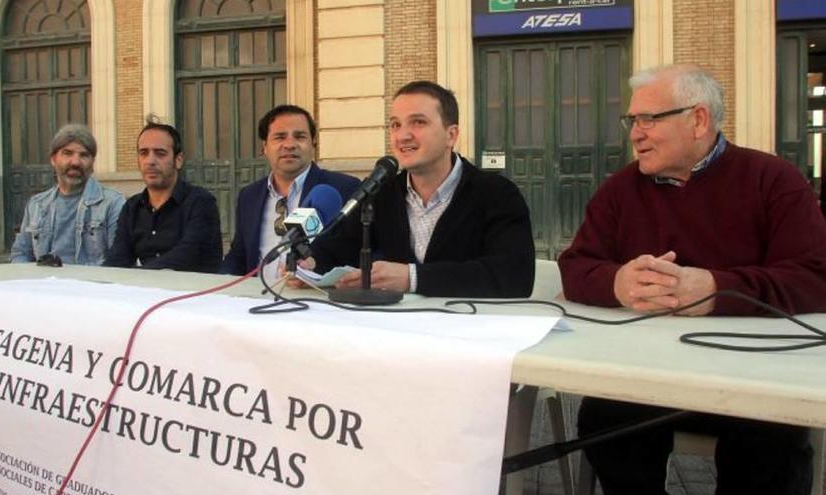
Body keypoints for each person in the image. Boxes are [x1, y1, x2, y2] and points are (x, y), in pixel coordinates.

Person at [558, 64, 826, 494]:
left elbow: (815, 279)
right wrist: (617, 282)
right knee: (602, 417)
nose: (634, 134)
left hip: (754, 375)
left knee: (772, 441)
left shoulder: (773, 181)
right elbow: (575, 266)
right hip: (650, 375)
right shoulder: (621, 190)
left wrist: (718, 290)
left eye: (649, 119)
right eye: (632, 121)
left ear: (698, 119)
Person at [308, 80, 534, 298]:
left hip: (472, 329)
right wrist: (311, 265)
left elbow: (515, 277)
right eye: (396, 124)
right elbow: (338, 248)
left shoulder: (498, 194)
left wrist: (413, 278)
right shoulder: (382, 194)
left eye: (418, 122)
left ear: (451, 135)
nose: (403, 136)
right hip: (400, 329)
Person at [220, 105, 360, 278]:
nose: (290, 145)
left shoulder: (342, 190)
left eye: (300, 137)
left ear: (313, 143)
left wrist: (316, 267)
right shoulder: (249, 196)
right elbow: (239, 255)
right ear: (264, 146)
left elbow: (354, 254)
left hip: (314, 299)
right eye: (280, 137)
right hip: (257, 298)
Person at [104, 119, 222, 272]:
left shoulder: (201, 203)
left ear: (178, 160)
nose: (150, 161)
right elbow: (118, 258)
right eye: (143, 153)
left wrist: (137, 276)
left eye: (160, 153)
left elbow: (186, 256)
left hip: (193, 292)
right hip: (146, 291)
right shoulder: (132, 208)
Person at [10, 124, 125, 265]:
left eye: (84, 155)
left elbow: (119, 260)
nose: (75, 162)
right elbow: (20, 254)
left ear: (93, 162)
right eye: (67, 153)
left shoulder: (112, 204)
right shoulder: (36, 205)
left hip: (91, 285)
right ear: (53, 159)